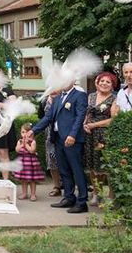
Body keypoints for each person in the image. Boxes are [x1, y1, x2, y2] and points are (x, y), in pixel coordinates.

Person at [27, 82, 89, 213]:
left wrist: (72, 135)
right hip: (58, 139)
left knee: (77, 170)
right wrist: (34, 130)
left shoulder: (79, 95)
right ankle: (68, 197)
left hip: (72, 140)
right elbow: (48, 117)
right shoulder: (59, 97)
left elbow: (80, 117)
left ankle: (82, 201)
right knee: (64, 170)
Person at [83, 71, 118, 204]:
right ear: (97, 84)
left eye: (108, 82)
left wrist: (94, 125)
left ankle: (104, 193)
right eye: (102, 81)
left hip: (103, 135)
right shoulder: (91, 96)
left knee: (102, 166)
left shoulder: (114, 99)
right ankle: (96, 193)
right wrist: (84, 124)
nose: (104, 83)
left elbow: (113, 119)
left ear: (112, 85)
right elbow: (86, 113)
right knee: (91, 165)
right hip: (89, 135)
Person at [39, 92, 63, 197]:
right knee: (52, 161)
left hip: (63, 134)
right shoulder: (44, 101)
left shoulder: (65, 98)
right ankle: (56, 186)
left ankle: (67, 186)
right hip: (49, 135)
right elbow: (41, 117)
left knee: (65, 161)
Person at [13, 122, 44, 201]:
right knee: (23, 180)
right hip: (23, 163)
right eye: (23, 132)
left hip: (30, 163)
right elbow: (17, 150)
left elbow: (32, 151)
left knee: (32, 180)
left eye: (27, 132)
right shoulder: (19, 141)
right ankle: (24, 193)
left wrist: (26, 144)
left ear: (31, 133)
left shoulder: (33, 142)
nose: (24, 134)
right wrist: (21, 144)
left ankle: (33, 194)